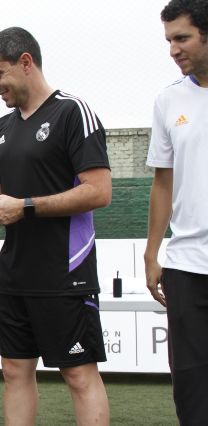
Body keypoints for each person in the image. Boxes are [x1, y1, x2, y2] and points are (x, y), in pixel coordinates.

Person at [0, 27, 112, 425]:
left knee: (79, 374)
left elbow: (98, 192)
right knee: (14, 371)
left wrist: (24, 207)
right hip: (14, 271)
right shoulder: (1, 128)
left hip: (65, 270)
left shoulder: (72, 112)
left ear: (26, 62)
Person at [144, 1, 208, 423]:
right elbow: (162, 183)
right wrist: (152, 253)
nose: (173, 49)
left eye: (181, 38)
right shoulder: (168, 101)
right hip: (186, 265)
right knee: (192, 388)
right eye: (169, 40)